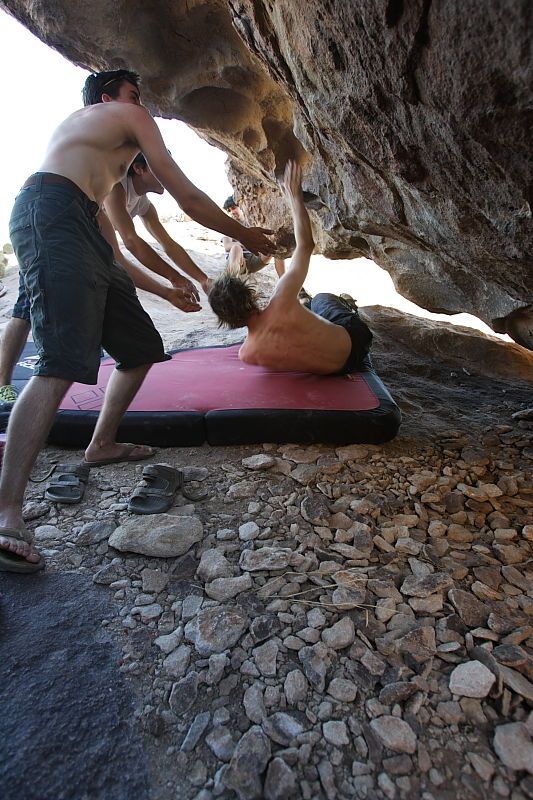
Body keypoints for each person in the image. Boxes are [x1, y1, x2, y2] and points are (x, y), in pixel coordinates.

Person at [0, 68, 275, 573]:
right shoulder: (119, 119)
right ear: (111, 98)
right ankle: (5, 514)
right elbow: (188, 196)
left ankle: (100, 444)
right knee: (60, 361)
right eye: (134, 93)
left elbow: (117, 259)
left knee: (140, 347)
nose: (142, 102)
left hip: (76, 219)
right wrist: (244, 234)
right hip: (50, 213)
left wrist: (172, 288)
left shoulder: (98, 171)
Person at [0, 150, 211, 410]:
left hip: (85, 246)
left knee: (134, 343)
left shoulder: (143, 204)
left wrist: (199, 279)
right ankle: (3, 385)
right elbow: (128, 246)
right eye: (162, 164)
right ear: (140, 169)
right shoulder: (114, 187)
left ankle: (102, 442)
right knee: (25, 309)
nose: (170, 172)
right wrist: (168, 288)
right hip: (54, 232)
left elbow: (167, 244)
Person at [208, 160, 372, 375]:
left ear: (226, 320)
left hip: (336, 370)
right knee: (322, 299)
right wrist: (295, 197)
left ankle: (315, 311)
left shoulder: (248, 354)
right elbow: (305, 245)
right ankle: (346, 306)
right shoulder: (282, 298)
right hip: (357, 345)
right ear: (250, 293)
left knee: (310, 308)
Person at [223, 195, 285, 278]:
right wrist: (244, 242)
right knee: (236, 248)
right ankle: (231, 281)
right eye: (229, 210)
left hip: (254, 260)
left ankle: (284, 278)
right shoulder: (229, 225)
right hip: (236, 259)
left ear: (241, 206)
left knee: (275, 246)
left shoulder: (252, 220)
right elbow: (227, 246)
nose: (232, 212)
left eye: (233, 208)